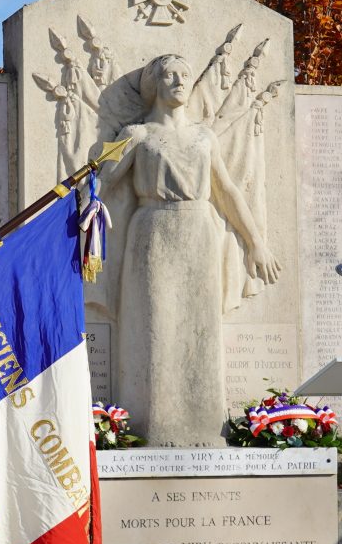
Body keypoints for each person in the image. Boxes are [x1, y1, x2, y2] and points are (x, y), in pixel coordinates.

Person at [99, 54, 280, 446]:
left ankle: (205, 427)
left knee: (201, 330)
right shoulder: (138, 135)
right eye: (170, 75)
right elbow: (100, 183)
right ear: (154, 86)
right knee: (156, 327)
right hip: (152, 232)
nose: (180, 81)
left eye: (185, 73)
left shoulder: (204, 137)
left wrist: (256, 242)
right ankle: (155, 426)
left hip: (199, 231)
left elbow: (227, 191)